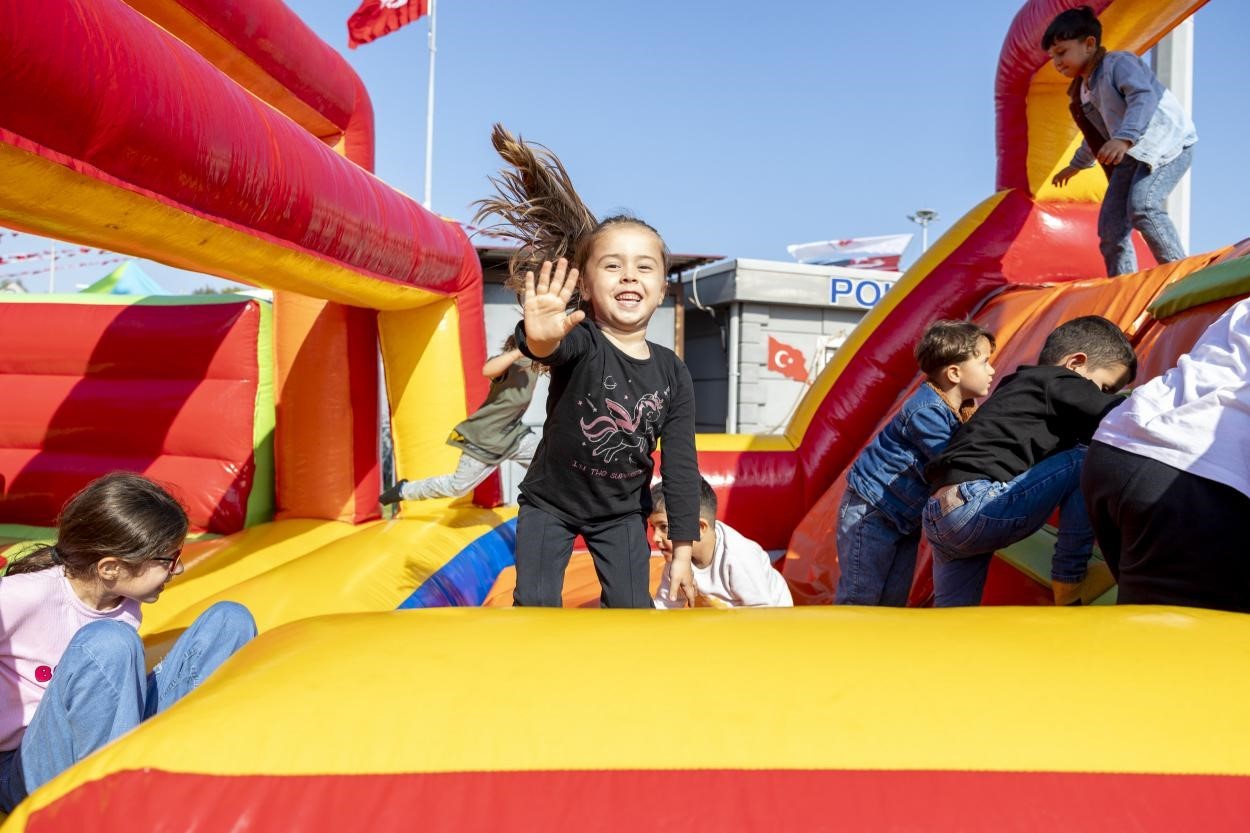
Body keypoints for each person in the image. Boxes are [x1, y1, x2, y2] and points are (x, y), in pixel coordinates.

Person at [474, 124, 701, 609]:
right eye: (612, 265)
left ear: (662, 289)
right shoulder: (582, 341)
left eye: (644, 267)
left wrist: (681, 550)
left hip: (620, 513)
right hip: (550, 504)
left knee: (631, 612)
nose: (629, 275)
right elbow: (546, 348)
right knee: (534, 605)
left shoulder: (672, 373)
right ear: (588, 285)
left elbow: (680, 466)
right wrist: (538, 333)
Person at [0, 473, 256, 812]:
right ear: (110, 568)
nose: (177, 570)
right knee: (109, 642)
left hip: (104, 747)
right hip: (27, 767)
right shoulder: (24, 597)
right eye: (168, 560)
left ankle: (177, 767)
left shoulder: (123, 606)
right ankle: (115, 798)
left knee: (230, 621)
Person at [922, 316, 1136, 607]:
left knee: (953, 617)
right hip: (978, 506)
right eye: (1105, 387)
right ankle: (1071, 579)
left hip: (941, 514)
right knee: (1088, 459)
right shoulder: (1058, 380)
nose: (1100, 396)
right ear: (1075, 364)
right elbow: (1117, 414)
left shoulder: (1020, 389)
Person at [1083, 297, 1250, 612]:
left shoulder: (1243, 306)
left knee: (1147, 619)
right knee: (1185, 639)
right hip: (1196, 476)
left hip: (1118, 446)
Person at [836, 321, 996, 606]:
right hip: (871, 511)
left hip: (903, 520)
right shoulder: (926, 410)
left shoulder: (965, 410)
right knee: (860, 598)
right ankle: (845, 648)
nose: (992, 370)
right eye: (984, 362)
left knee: (894, 602)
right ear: (955, 373)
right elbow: (951, 461)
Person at [1045, 6, 1197, 277]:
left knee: (1144, 206)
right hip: (1131, 154)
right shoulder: (1082, 92)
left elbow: (1143, 97)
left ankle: (1183, 274)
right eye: (1052, 56)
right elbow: (1097, 135)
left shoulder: (1118, 64)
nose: (1056, 62)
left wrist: (1124, 138)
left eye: (1062, 52)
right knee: (1110, 230)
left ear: (1089, 44)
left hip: (1166, 143)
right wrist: (1077, 165)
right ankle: (1123, 286)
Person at [380, 336, 539, 504]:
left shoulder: (538, 365)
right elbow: (488, 370)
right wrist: (519, 352)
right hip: (484, 439)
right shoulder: (509, 365)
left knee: (549, 461)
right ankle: (404, 490)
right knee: (457, 487)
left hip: (515, 435)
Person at [652, 479, 792, 609]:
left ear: (699, 528)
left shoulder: (738, 556)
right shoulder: (677, 558)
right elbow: (664, 607)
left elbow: (762, 611)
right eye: (653, 528)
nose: (655, 538)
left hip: (774, 619)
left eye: (664, 527)